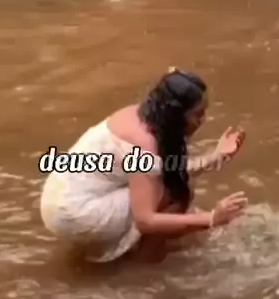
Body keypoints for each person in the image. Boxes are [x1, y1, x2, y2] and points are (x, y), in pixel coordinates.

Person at [39, 68, 247, 263]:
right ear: (175, 114)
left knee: (173, 186)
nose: (203, 120)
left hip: (59, 196)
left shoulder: (144, 115)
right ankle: (144, 266)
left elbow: (166, 169)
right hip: (74, 211)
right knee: (175, 194)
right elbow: (146, 220)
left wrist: (216, 156)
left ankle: (141, 247)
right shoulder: (144, 145)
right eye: (197, 114)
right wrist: (211, 218)